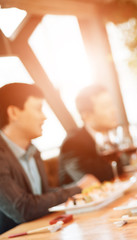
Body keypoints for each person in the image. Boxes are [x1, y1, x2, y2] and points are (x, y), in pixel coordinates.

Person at [0, 83, 99, 234]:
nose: (44, 116)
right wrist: (77, 188)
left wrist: (80, 189)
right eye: (38, 108)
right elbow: (23, 208)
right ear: (13, 112)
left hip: (41, 232)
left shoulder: (33, 151)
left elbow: (42, 197)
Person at [59, 84, 122, 185]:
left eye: (112, 104)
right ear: (86, 116)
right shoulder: (72, 143)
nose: (114, 110)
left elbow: (120, 169)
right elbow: (94, 179)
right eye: (106, 106)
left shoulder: (108, 136)